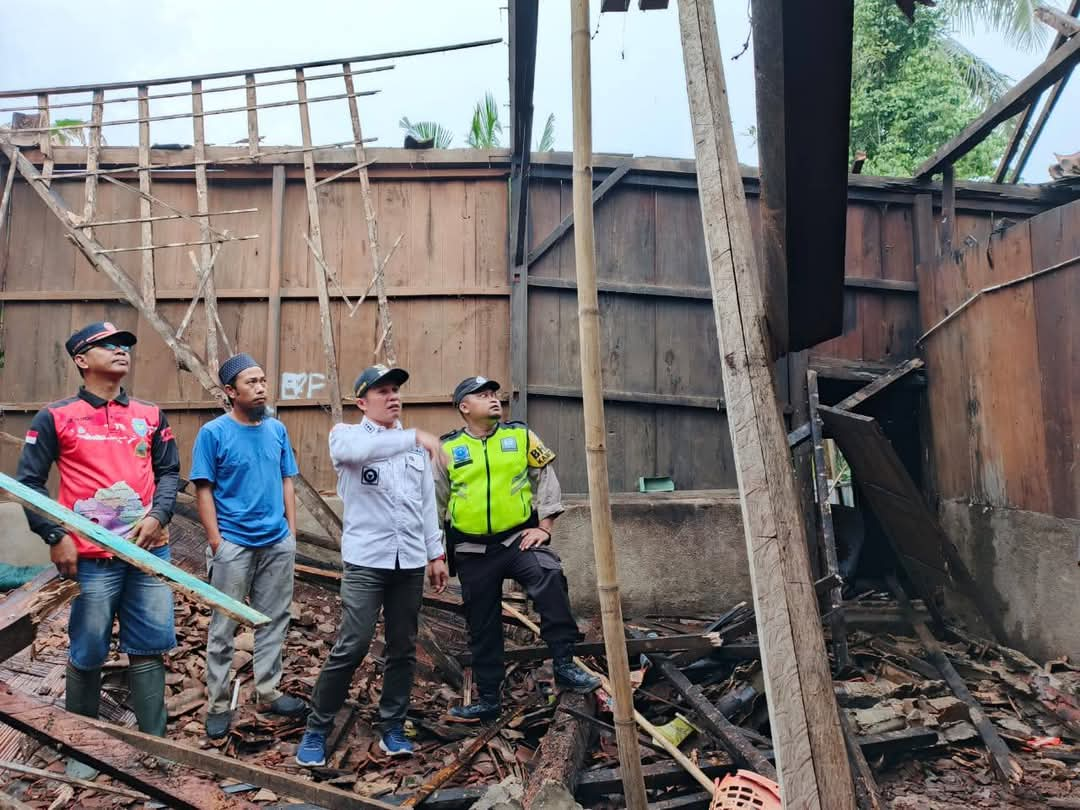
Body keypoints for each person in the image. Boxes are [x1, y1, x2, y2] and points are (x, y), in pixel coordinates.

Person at [16, 321, 180, 776]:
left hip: (146, 555)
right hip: (89, 561)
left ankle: (155, 748)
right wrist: (56, 535)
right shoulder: (56, 416)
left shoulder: (149, 414)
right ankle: (84, 749)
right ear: (82, 360)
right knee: (87, 648)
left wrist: (159, 515)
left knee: (149, 646)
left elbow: (170, 473)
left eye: (125, 345)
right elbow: (28, 483)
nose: (121, 350)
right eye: (107, 346)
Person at [296, 364, 450, 766]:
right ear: (362, 402)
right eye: (382, 391)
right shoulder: (345, 436)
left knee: (403, 647)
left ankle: (392, 726)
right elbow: (359, 452)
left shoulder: (415, 448)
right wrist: (411, 436)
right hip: (367, 560)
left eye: (396, 389)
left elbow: (425, 505)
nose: (393, 396)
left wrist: (436, 554)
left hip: (410, 561)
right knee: (354, 643)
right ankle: (317, 727)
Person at [436, 376, 599, 723]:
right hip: (471, 549)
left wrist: (544, 527)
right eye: (483, 395)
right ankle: (489, 699)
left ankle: (565, 665)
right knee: (482, 622)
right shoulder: (446, 448)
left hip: (517, 541)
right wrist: (434, 552)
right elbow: (434, 500)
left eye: (494, 394)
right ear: (465, 407)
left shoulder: (520, 436)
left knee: (550, 578)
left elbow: (547, 478)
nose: (494, 399)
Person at [189, 353, 307, 739]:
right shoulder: (214, 433)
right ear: (230, 391)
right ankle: (220, 702)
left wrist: (290, 532)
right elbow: (202, 489)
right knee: (224, 627)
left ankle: (269, 691)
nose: (261, 388)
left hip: (276, 543)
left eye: (262, 380)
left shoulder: (276, 430)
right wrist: (216, 542)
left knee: (274, 620)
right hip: (234, 546)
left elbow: (287, 479)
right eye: (251, 382)